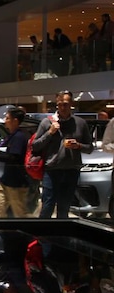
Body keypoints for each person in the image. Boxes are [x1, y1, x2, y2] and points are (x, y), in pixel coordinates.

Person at [30, 90, 93, 218]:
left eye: (65, 104)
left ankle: (61, 231)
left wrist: (78, 145)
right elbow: (35, 146)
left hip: (71, 170)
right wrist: (50, 133)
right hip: (51, 170)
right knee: (47, 206)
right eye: (60, 104)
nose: (62, 107)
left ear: (71, 104)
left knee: (64, 209)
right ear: (56, 104)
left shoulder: (80, 123)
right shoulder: (47, 122)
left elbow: (90, 148)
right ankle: (41, 230)